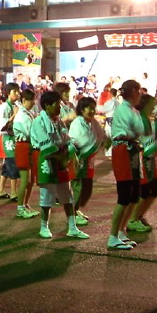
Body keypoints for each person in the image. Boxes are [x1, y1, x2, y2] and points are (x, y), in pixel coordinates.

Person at [30, 91, 89, 240]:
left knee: (67, 195)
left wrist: (69, 153)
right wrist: (64, 157)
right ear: (47, 106)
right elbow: (47, 147)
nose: (59, 108)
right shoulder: (39, 121)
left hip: (61, 158)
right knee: (47, 196)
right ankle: (44, 226)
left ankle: (72, 227)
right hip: (47, 159)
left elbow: (67, 139)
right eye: (57, 105)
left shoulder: (58, 121)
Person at [108, 80, 145, 250]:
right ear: (131, 92)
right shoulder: (123, 109)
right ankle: (113, 236)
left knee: (133, 196)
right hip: (124, 151)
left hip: (133, 152)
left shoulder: (133, 110)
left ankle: (121, 231)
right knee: (124, 196)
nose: (140, 94)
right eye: (138, 91)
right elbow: (132, 132)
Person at [68, 97, 107, 226]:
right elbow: (79, 141)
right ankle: (72, 214)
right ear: (82, 109)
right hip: (78, 159)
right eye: (89, 107)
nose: (92, 110)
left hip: (89, 161)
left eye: (93, 107)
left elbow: (101, 135)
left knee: (87, 188)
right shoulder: (77, 122)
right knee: (77, 187)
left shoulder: (93, 122)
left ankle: (76, 209)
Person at [128, 94, 157, 232]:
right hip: (142, 158)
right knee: (146, 190)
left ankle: (138, 216)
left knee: (154, 190)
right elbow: (141, 140)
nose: (154, 107)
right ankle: (133, 219)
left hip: (148, 158)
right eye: (152, 104)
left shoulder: (146, 119)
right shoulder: (139, 119)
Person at [13, 88, 39, 218]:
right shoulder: (22, 116)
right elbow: (30, 132)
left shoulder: (27, 113)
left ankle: (25, 204)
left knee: (30, 180)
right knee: (25, 179)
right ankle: (20, 207)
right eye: (31, 101)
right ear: (23, 100)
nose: (33, 103)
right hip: (23, 146)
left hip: (28, 146)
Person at [0, 83, 20, 200]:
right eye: (14, 92)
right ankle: (14, 192)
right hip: (6, 137)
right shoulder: (5, 107)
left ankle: (0, 190)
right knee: (12, 163)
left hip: (11, 137)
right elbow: (3, 126)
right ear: (8, 93)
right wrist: (14, 115)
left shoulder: (14, 105)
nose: (17, 94)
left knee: (6, 166)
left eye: (18, 92)